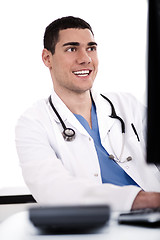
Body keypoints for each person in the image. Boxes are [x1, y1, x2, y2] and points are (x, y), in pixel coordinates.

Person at [15, 16, 160, 211]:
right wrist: (145, 200)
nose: (85, 59)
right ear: (47, 58)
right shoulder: (33, 122)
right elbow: (53, 190)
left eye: (91, 48)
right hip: (95, 229)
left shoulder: (128, 105)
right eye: (71, 49)